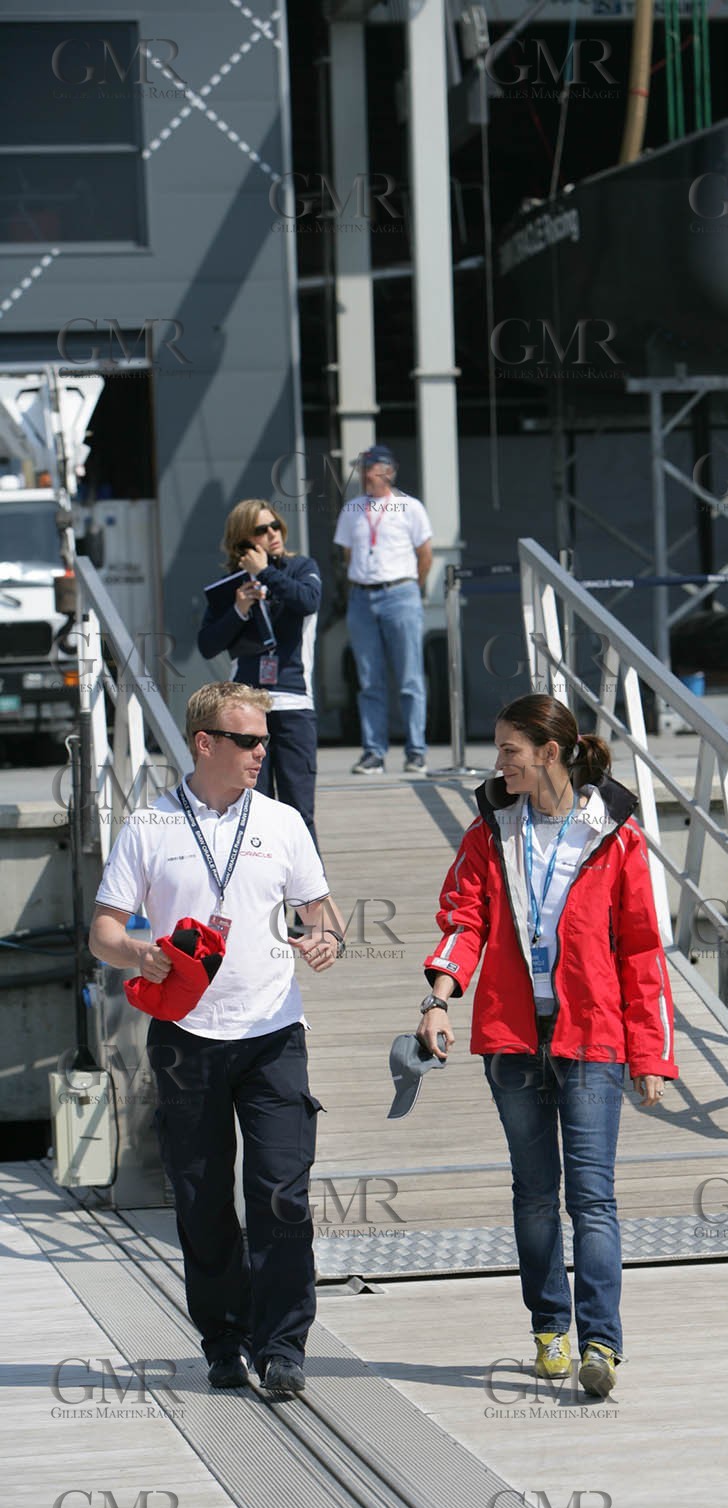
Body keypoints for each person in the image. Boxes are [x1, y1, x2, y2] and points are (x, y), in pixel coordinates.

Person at [88, 682, 346, 1396]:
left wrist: (324, 939)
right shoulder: (150, 825)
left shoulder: (283, 822)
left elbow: (322, 913)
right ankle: (225, 1341)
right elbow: (103, 930)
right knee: (202, 1198)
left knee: (281, 1194)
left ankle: (283, 1346)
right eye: (249, 741)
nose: (263, 752)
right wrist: (137, 952)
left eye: (266, 740)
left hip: (273, 1034)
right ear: (205, 743)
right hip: (185, 1039)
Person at [416, 693, 677, 1397]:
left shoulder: (616, 836)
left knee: (592, 1197)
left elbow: (641, 951)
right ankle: (549, 1329)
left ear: (549, 753)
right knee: (534, 1195)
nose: (499, 763)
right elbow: (463, 920)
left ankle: (601, 1344)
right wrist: (439, 999)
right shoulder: (490, 832)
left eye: (510, 750)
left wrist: (650, 1055)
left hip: (592, 1036)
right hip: (511, 1038)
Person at [198, 500, 323, 846]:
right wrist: (239, 609)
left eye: (275, 526)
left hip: (293, 704)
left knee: (299, 811)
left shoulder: (301, 568)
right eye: (261, 530)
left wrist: (266, 572)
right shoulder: (231, 585)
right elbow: (207, 645)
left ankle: (309, 882)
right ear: (243, 539)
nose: (273, 534)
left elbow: (308, 601)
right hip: (245, 711)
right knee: (251, 808)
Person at [332, 443, 433, 776]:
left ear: (388, 471)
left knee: (410, 678)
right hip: (362, 597)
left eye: (371, 468)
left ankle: (416, 751)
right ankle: (374, 752)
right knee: (368, 680)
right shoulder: (352, 509)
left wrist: (411, 589)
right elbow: (347, 554)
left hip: (400, 594)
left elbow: (425, 555)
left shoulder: (410, 507)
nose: (365, 474)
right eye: (363, 468)